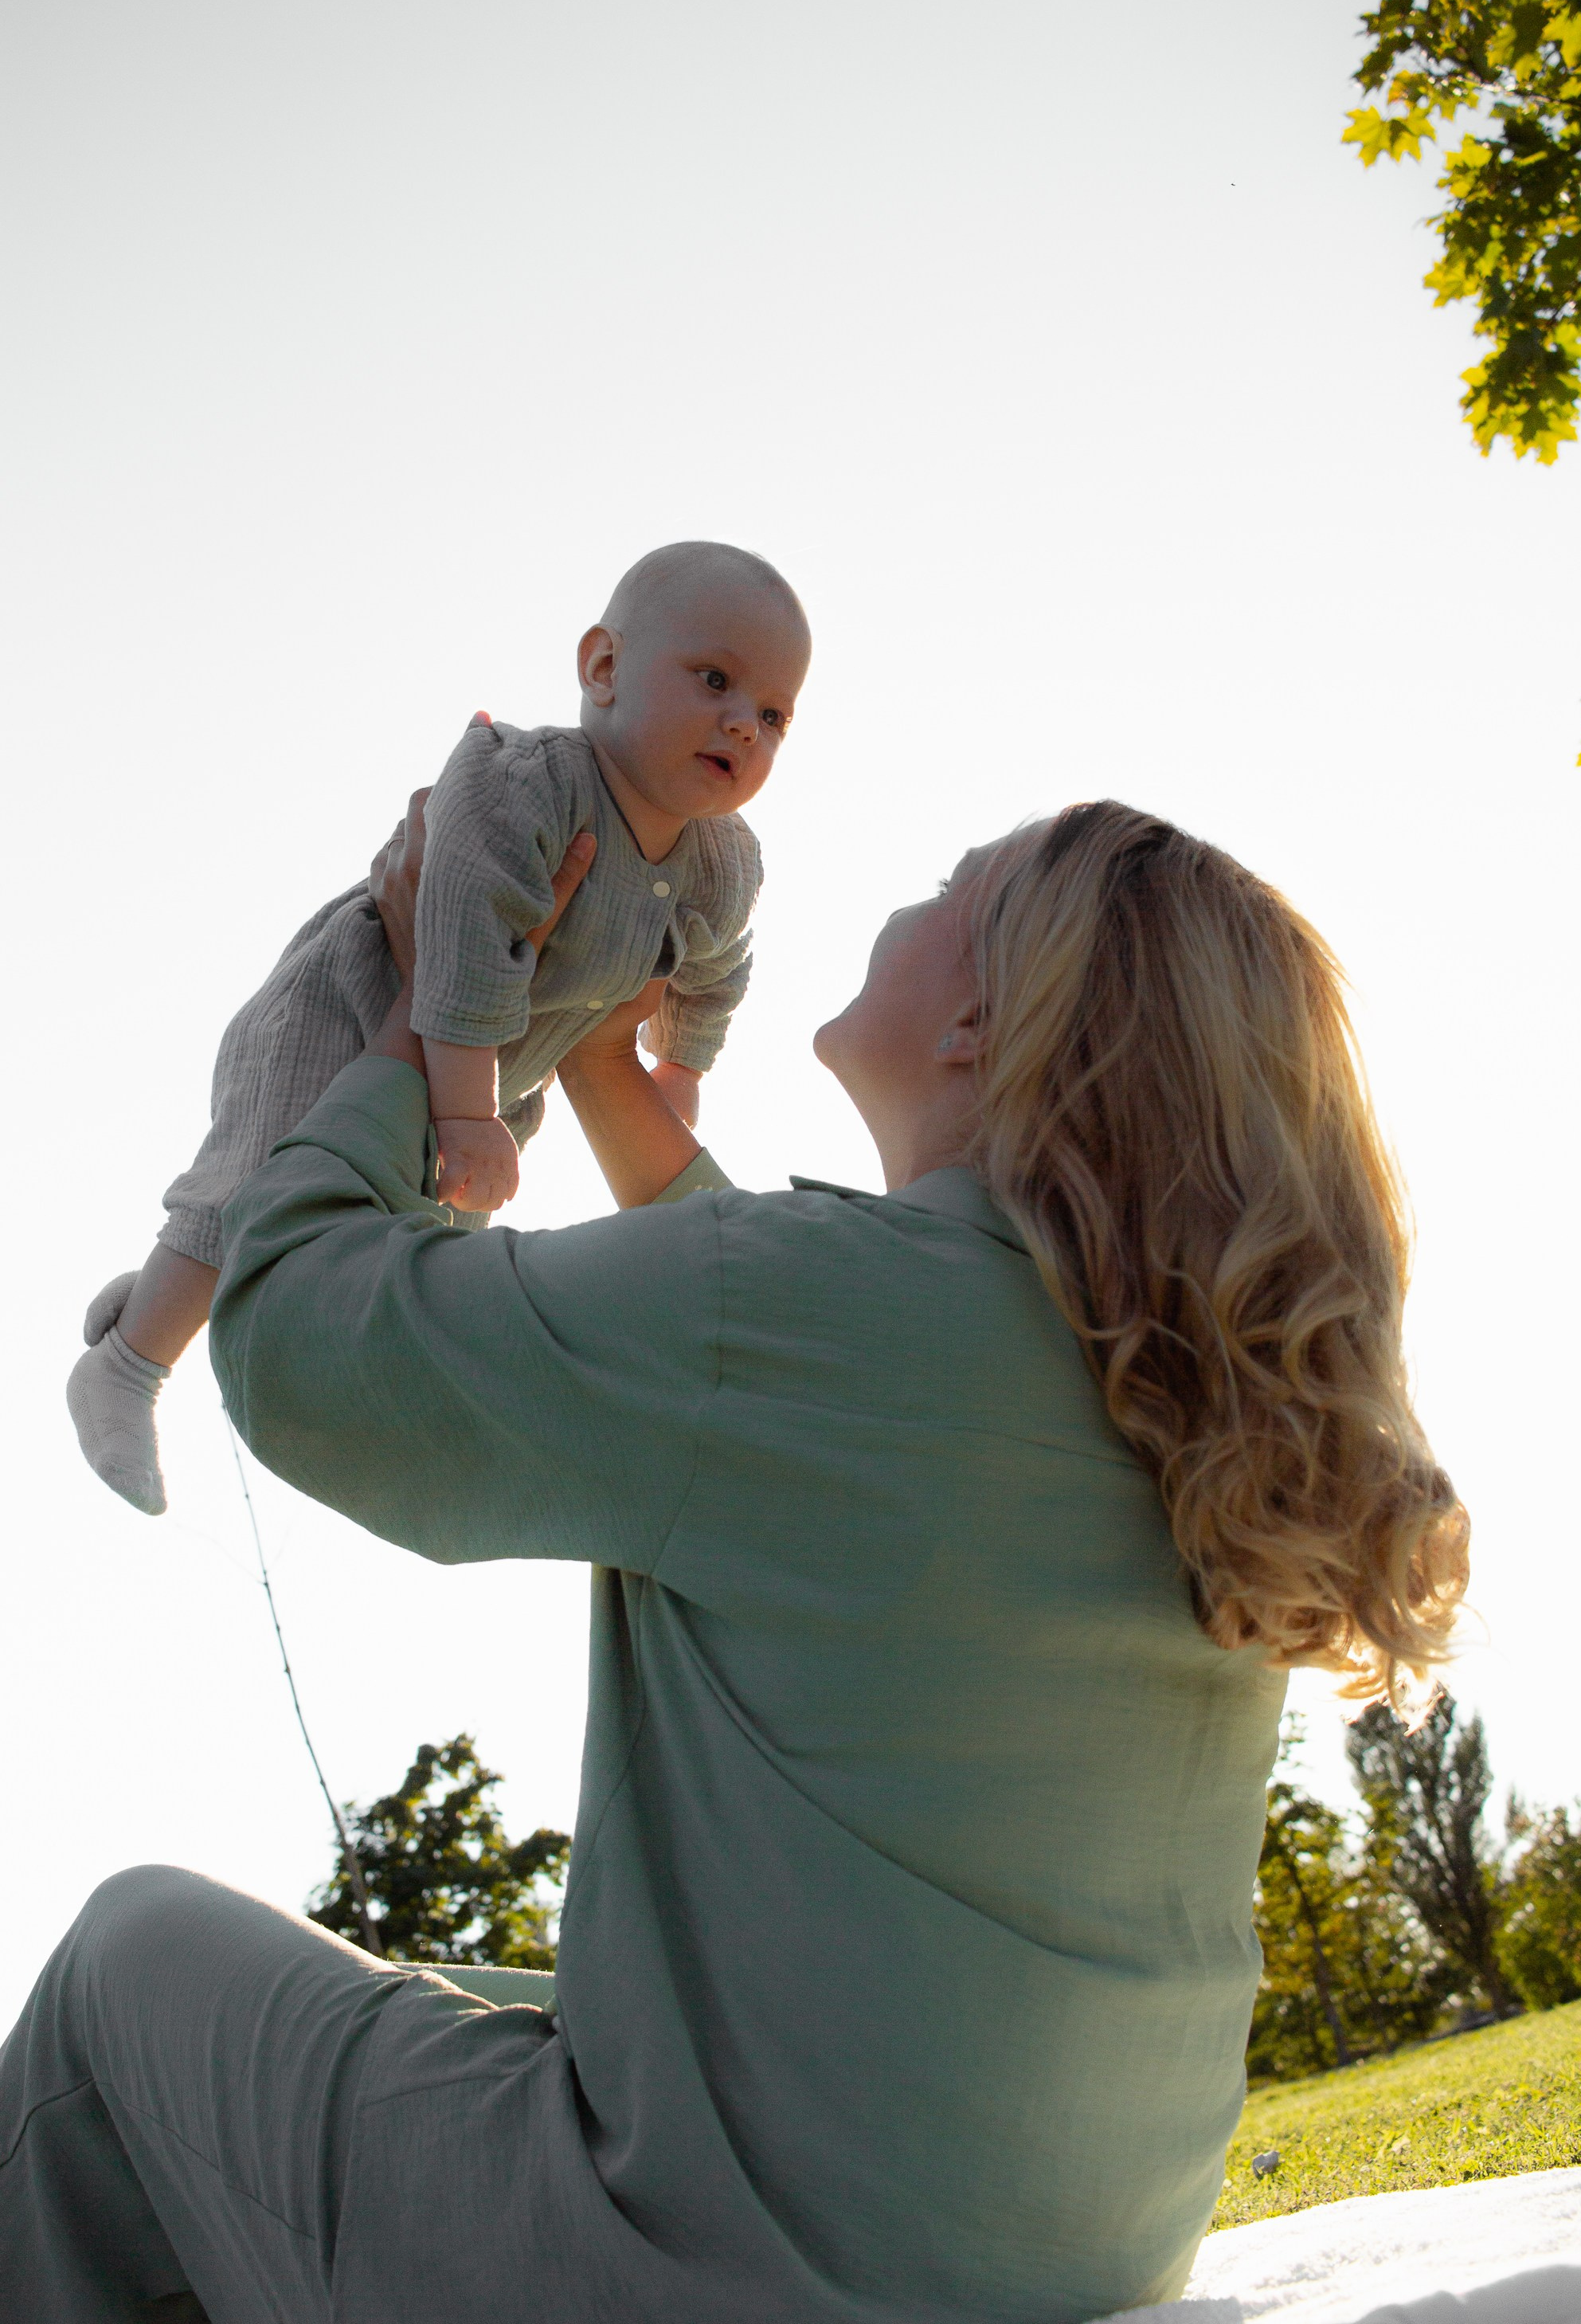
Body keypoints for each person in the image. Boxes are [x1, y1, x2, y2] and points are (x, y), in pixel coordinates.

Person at [3, 801, 1469, 2323]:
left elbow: (309, 1345)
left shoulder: (795, 1316)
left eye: (950, 886)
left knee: (131, 1961)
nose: (912, 901)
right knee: (458, 2000)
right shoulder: (1166, 1386)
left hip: (706, 2270)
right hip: (1018, 2252)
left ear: (982, 1021)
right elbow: (796, 1381)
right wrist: (594, 1070)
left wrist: (414, 1005)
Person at [65, 538, 810, 1518]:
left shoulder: (725, 866)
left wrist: (677, 1075)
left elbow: (717, 974)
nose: (741, 725)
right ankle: (128, 1364)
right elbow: (454, 930)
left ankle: (187, 1279)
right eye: (713, 679)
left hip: (500, 1080)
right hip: (355, 1009)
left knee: (405, 1249)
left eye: (772, 714)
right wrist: (463, 1115)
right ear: (602, 668)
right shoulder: (531, 784)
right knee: (266, 1178)